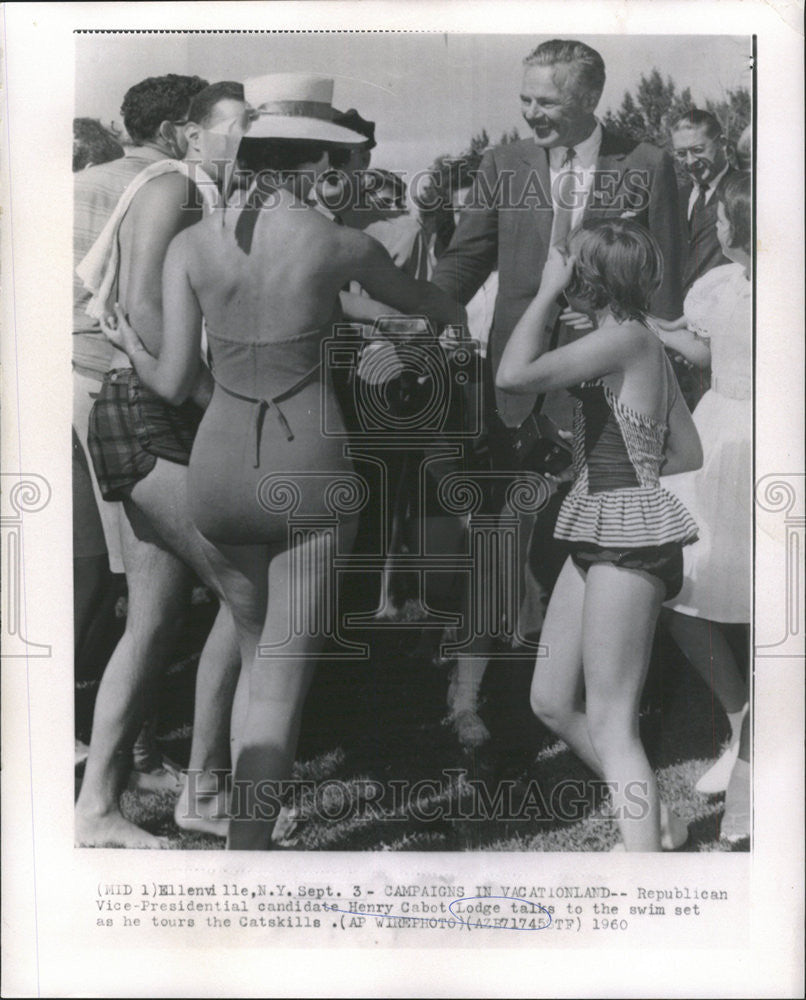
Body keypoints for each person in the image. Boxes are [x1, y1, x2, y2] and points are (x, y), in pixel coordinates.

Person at [103, 72, 467, 850]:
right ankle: (249, 852)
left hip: (220, 467)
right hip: (310, 468)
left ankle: (235, 820)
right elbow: (427, 304)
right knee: (279, 677)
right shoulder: (344, 244)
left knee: (250, 641)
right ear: (316, 166)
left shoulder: (195, 245)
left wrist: (128, 341)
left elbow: (170, 379)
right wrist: (448, 314)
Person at [432, 39, 686, 745]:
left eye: (547, 102)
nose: (531, 114)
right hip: (517, 387)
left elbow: (663, 279)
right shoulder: (503, 163)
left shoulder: (647, 165)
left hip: (605, 393)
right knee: (498, 540)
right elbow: (464, 261)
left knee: (605, 550)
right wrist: (414, 313)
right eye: (525, 99)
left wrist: (614, 326)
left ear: (589, 100)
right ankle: (470, 698)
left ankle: (616, 701)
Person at [74, 81, 250, 848]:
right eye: (241, 126)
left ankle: (98, 809)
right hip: (148, 415)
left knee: (152, 622)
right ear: (188, 132)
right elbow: (147, 313)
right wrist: (219, 404)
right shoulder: (176, 183)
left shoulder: (195, 186)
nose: (251, 140)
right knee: (251, 590)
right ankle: (205, 791)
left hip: (143, 407)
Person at [496, 219, 702, 851]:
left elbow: (511, 376)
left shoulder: (625, 343)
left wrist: (541, 295)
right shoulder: (631, 342)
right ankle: (658, 821)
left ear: (584, 280)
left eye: (571, 272)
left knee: (614, 722)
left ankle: (644, 881)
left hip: (626, 536)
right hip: (603, 526)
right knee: (553, 701)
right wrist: (624, 456)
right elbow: (687, 451)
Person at [654, 172, 752, 840]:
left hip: (762, 439)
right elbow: (708, 351)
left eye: (723, 220)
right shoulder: (723, 285)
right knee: (683, 582)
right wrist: (655, 329)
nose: (715, 229)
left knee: (765, 595)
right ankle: (740, 713)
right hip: (719, 429)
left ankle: (759, 746)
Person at [671, 109, 736, 293]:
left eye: (698, 150)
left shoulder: (746, 192)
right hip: (679, 315)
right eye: (681, 154)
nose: (690, 161)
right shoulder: (675, 199)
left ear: (722, 143)